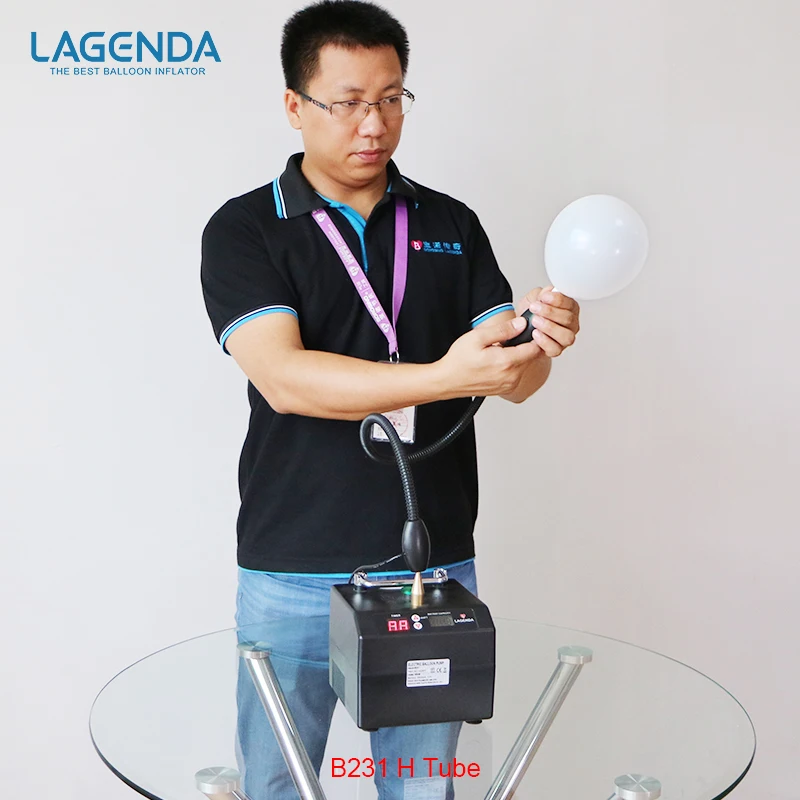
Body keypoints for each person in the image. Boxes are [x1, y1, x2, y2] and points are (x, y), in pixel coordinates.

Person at [200, 2, 581, 797]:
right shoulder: (246, 229)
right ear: (295, 105)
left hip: (430, 563)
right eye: (347, 102)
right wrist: (448, 374)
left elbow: (514, 380)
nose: (373, 124)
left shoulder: (451, 223)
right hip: (291, 562)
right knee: (277, 785)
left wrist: (538, 342)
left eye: (391, 98)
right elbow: (285, 379)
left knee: (421, 788)